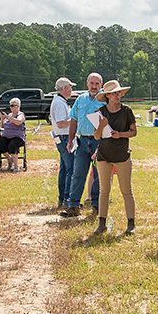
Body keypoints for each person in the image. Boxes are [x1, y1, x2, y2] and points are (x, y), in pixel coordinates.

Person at [92, 79, 138, 235]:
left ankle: (131, 223)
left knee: (126, 190)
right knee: (104, 190)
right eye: (114, 93)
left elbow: (134, 132)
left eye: (118, 93)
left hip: (122, 155)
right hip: (104, 155)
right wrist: (101, 126)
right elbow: (97, 137)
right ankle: (101, 223)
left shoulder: (127, 111)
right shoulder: (100, 112)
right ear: (107, 96)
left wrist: (120, 135)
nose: (117, 95)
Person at [63, 73, 105, 217]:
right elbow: (74, 120)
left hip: (99, 142)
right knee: (78, 173)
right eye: (92, 83)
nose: (94, 86)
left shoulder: (104, 100)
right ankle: (73, 205)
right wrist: (70, 139)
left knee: (98, 174)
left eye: (97, 84)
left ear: (101, 85)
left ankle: (96, 205)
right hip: (82, 142)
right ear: (87, 83)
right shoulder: (80, 100)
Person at [50, 78, 76, 209]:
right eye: (70, 87)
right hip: (64, 137)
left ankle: (63, 198)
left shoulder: (59, 101)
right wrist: (74, 120)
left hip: (61, 138)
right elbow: (61, 123)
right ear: (65, 88)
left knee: (65, 169)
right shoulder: (60, 104)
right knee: (70, 169)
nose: (71, 90)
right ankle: (67, 199)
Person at [0, 98, 26, 172]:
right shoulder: (9, 115)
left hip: (17, 137)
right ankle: (10, 160)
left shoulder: (20, 115)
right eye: (10, 105)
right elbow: (2, 127)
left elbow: (18, 122)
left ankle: (16, 166)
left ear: (18, 106)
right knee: (0, 144)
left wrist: (9, 117)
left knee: (12, 145)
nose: (11, 107)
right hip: (6, 136)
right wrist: (2, 119)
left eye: (13, 105)